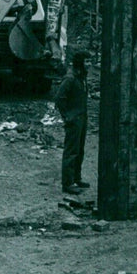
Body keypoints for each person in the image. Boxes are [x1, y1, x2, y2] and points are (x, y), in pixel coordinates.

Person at [55, 50, 89, 195]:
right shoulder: (70, 78)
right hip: (74, 119)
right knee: (71, 151)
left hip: (81, 118)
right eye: (87, 61)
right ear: (80, 63)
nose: (90, 64)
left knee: (79, 150)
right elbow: (59, 98)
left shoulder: (81, 77)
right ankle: (68, 183)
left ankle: (76, 177)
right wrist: (67, 116)